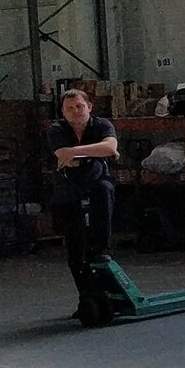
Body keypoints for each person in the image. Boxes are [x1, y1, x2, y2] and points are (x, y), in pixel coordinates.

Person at [45, 90, 120, 292]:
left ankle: (103, 249)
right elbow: (62, 153)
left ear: (89, 107)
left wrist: (74, 153)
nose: (75, 111)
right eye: (69, 108)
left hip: (96, 182)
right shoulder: (56, 129)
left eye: (79, 106)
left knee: (104, 190)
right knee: (75, 248)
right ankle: (85, 294)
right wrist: (96, 151)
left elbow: (110, 147)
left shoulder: (102, 124)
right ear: (63, 112)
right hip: (68, 186)